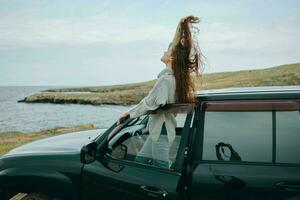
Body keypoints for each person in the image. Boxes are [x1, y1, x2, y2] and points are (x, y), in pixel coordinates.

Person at [117, 15, 204, 168]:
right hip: (160, 129)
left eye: (168, 49)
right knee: (140, 162)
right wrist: (181, 26)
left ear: (172, 58)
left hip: (161, 129)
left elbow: (152, 102)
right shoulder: (175, 78)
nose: (165, 50)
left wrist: (128, 114)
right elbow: (177, 46)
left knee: (163, 165)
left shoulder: (165, 80)